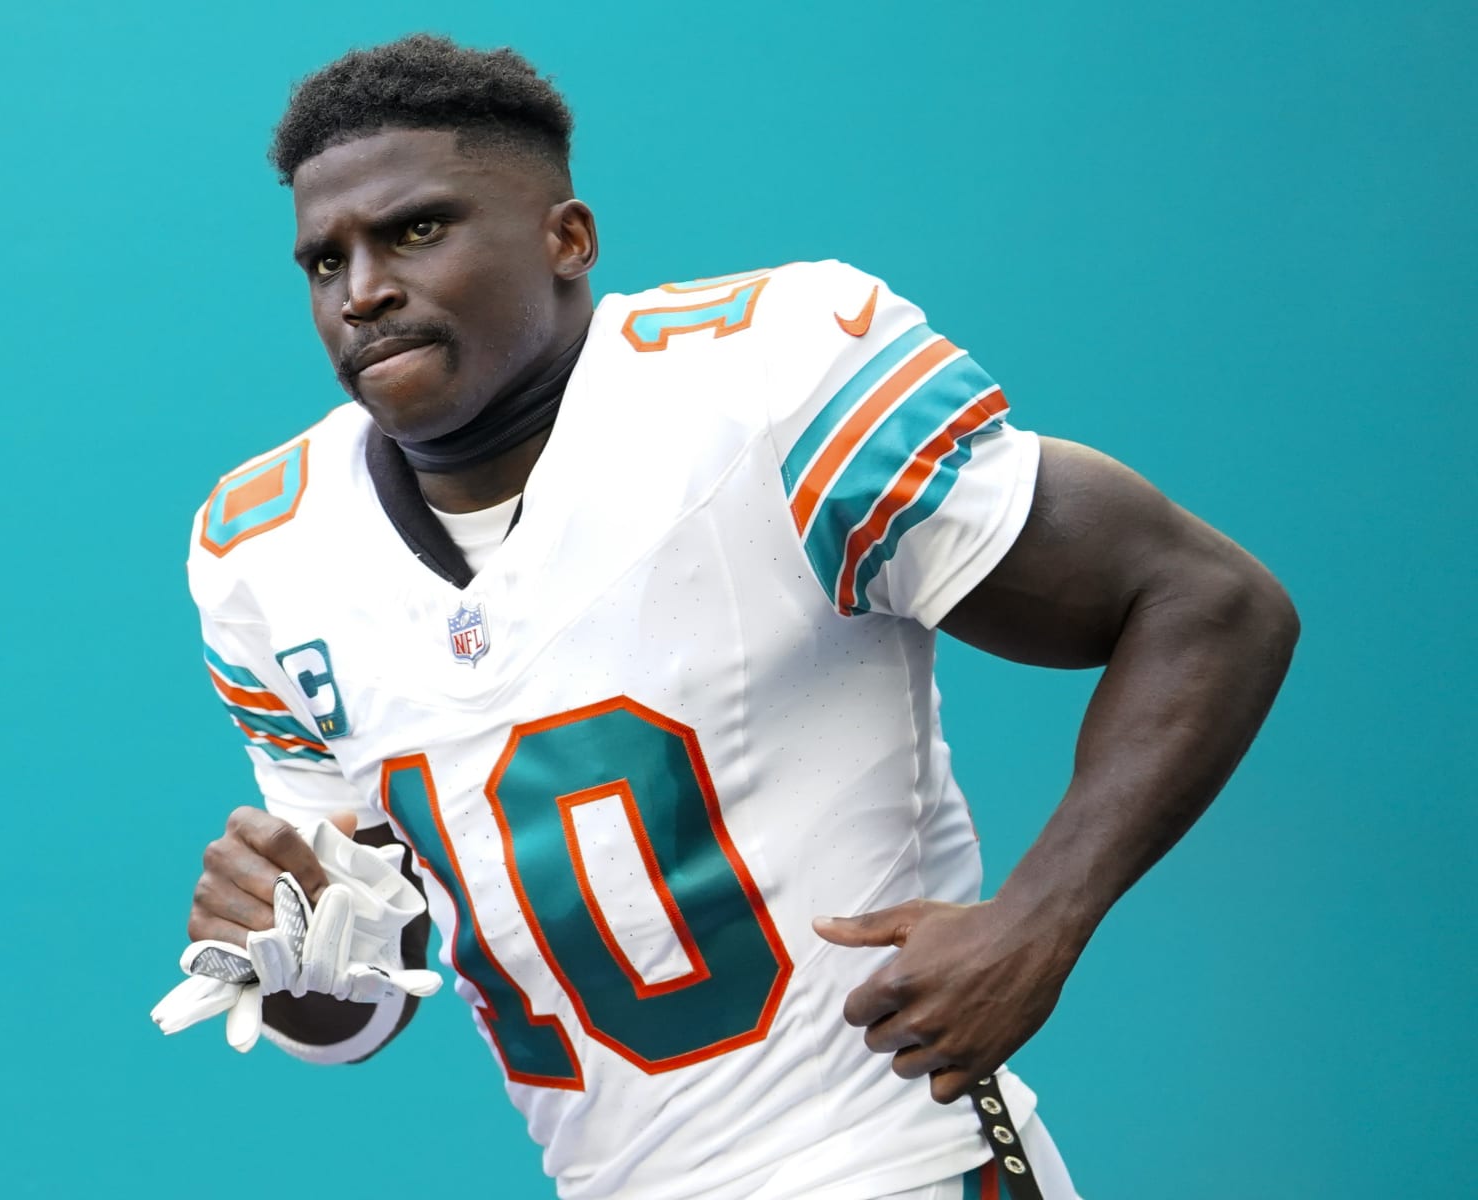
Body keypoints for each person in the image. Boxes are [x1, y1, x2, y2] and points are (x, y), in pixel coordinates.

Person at [156, 33, 1298, 1200]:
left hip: (893, 1163)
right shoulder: (264, 553)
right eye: (323, 261)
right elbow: (360, 1002)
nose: (365, 291)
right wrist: (279, 943)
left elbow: (1211, 602)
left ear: (567, 239)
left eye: (416, 229)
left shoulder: (762, 379)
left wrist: (1040, 922)